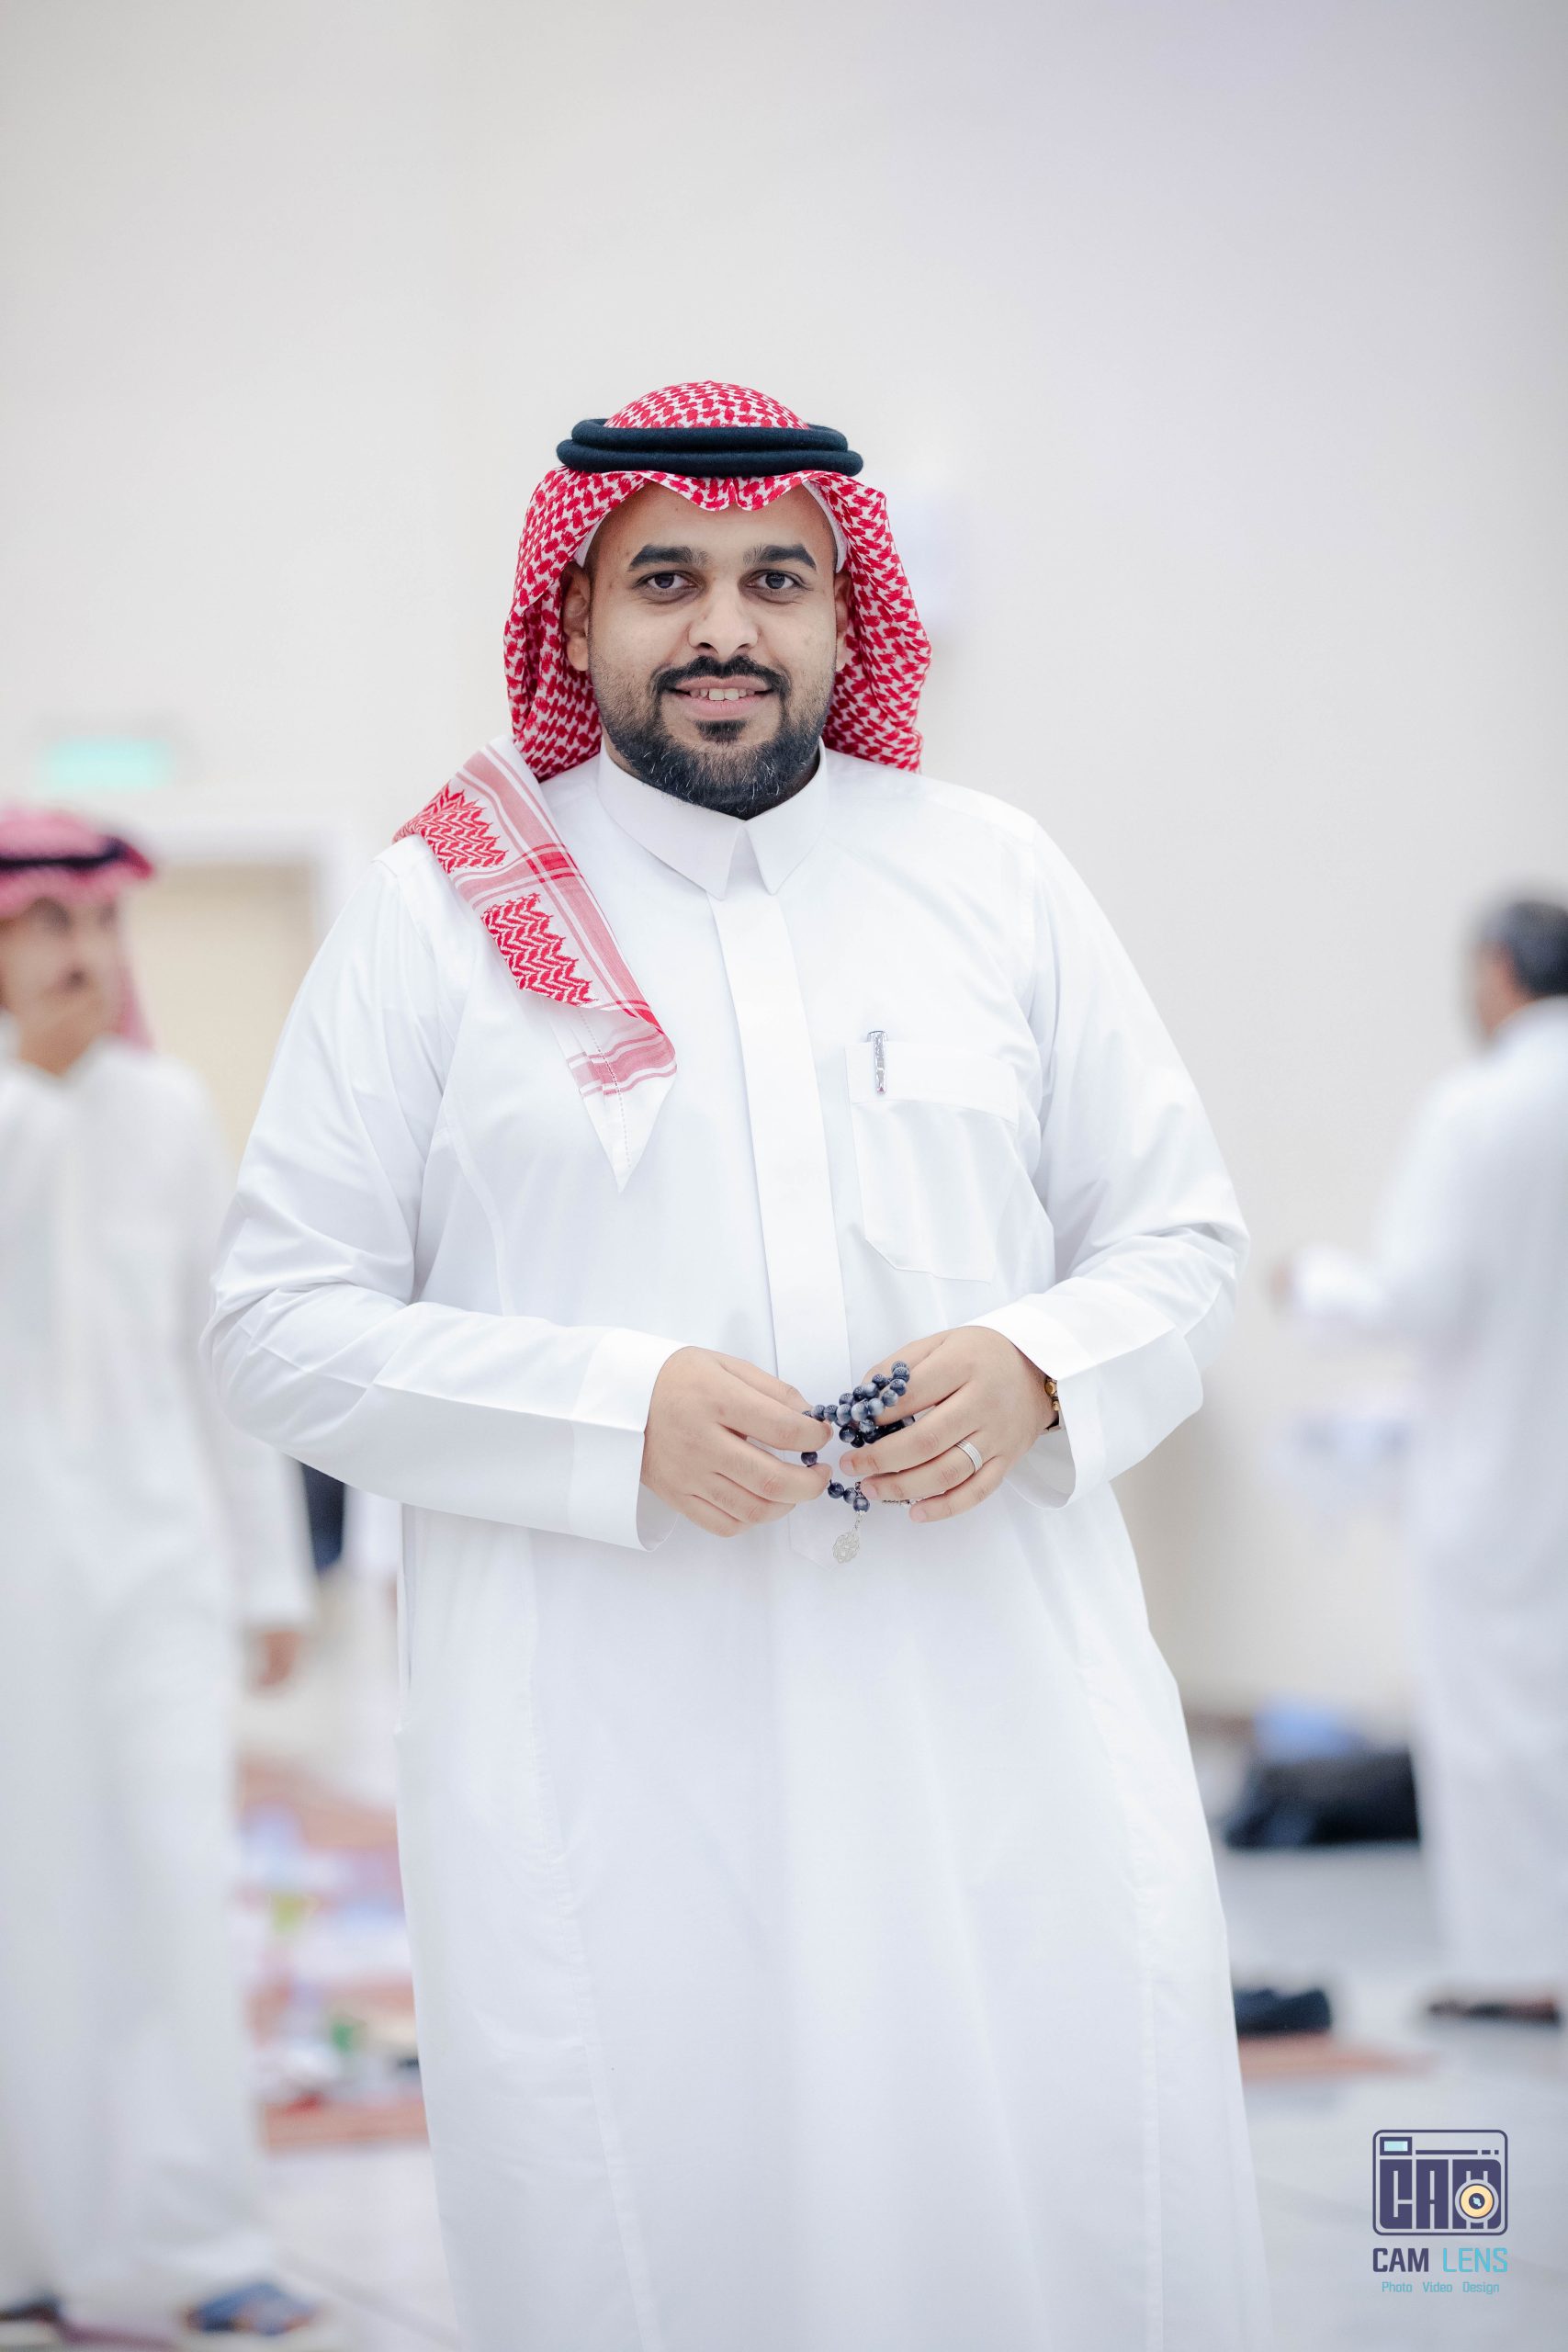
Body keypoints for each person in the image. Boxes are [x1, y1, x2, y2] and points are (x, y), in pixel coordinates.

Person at [205, 382, 1273, 2350]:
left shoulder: (993, 875)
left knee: (1031, 2215)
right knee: (672, 2227)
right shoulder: (439, 913)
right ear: (576, 615)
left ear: (848, 617)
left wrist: (1039, 1363)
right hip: (614, 1752)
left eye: (775, 580)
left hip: (992, 1730)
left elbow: (1183, 1240)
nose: (723, 627)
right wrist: (611, 1416)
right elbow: (274, 1322)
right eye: (665, 581)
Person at [0, 809, 341, 2346]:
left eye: (98, 926)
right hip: (15, 1580)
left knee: (170, 1890)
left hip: (154, 1569)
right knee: (26, 1903)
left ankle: (204, 2241)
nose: (80, 957)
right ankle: (28, 2244)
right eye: (45, 929)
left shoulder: (168, 1108)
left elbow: (224, 1367)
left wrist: (270, 1585)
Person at [1278, 898, 1568, 2027]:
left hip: (1503, 1480)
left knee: (1495, 1726)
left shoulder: (1481, 1109)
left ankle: (1521, 1969)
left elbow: (1419, 1294)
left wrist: (1312, 1283)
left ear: (1497, 970)